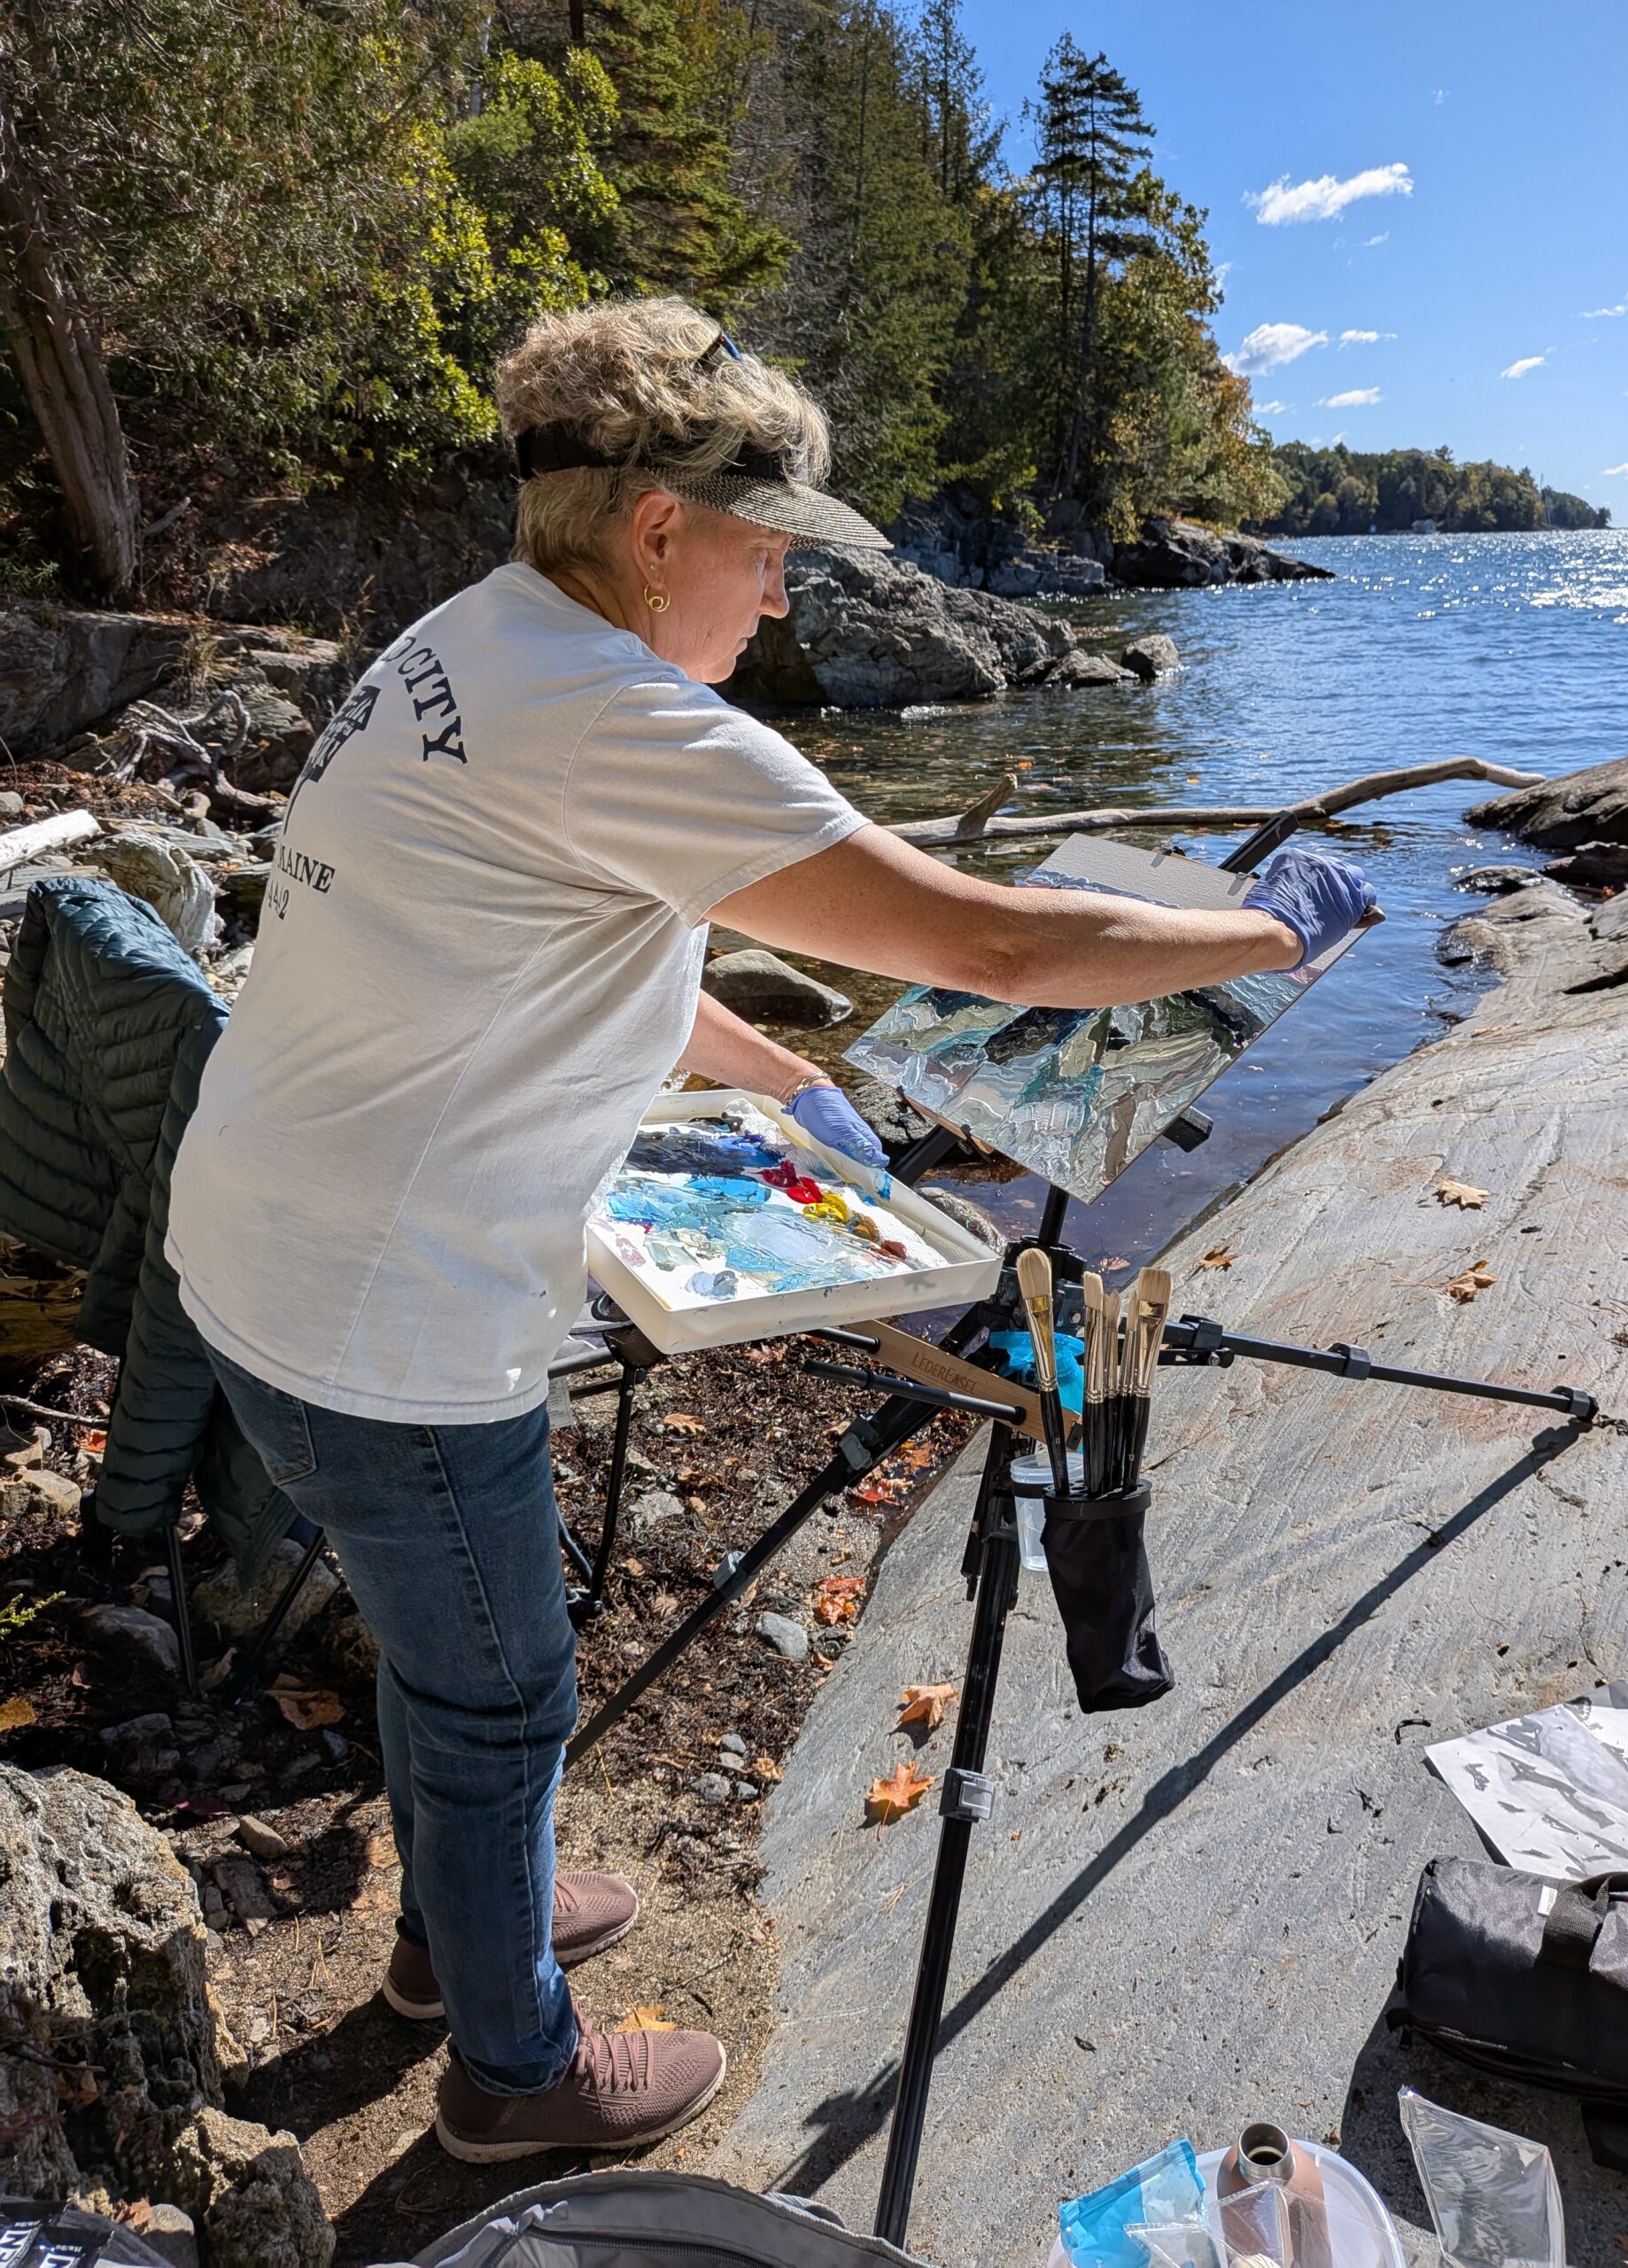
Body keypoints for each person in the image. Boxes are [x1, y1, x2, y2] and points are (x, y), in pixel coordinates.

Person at [164, 296, 1374, 2163]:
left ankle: (448, 1933)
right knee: (500, 1684)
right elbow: (985, 941)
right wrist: (1274, 933)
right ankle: (512, 2070)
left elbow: (583, 938)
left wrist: (777, 1081)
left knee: (439, 1655)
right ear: (660, 529)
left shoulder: (468, 643)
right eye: (772, 550)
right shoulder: (619, 714)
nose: (791, 596)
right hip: (378, 1316)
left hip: (266, 1249)